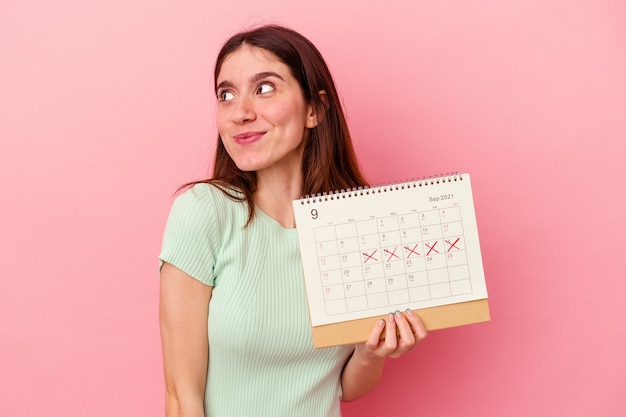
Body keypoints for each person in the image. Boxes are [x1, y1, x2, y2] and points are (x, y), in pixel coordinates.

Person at [158, 24, 427, 417]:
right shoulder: (203, 212)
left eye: (264, 87)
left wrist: (373, 353)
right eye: (226, 94)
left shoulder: (355, 226)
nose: (240, 113)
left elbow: (341, 388)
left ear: (314, 110)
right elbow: (183, 400)